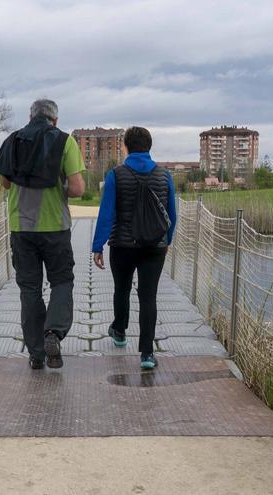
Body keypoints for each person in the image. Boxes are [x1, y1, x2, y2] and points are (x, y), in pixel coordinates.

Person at [0, 99, 86, 369]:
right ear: (54, 120)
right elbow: (78, 189)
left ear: (30, 116)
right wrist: (58, 185)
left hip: (21, 228)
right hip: (55, 226)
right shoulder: (66, 141)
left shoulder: (12, 140)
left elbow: (5, 183)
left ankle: (35, 353)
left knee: (29, 289)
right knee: (61, 281)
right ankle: (53, 333)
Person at [91, 126, 176, 369]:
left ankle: (119, 331)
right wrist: (166, 240)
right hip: (154, 247)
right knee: (148, 296)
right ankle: (147, 354)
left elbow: (107, 213)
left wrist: (98, 246)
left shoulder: (116, 175)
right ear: (149, 147)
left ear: (126, 147)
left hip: (123, 245)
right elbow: (172, 213)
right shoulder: (165, 175)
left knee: (122, 289)